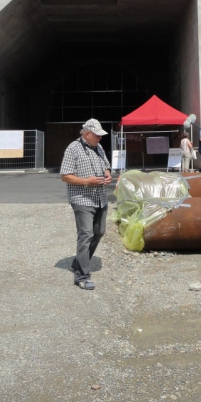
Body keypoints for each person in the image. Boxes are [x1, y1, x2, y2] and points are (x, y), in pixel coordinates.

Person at [60, 118, 112, 291]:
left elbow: (106, 165)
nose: (100, 138)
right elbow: (65, 175)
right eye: (97, 135)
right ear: (87, 134)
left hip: (100, 198)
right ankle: (82, 276)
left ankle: (78, 262)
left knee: (99, 231)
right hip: (82, 199)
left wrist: (107, 174)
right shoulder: (73, 148)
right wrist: (86, 182)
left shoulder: (99, 147)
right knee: (86, 234)